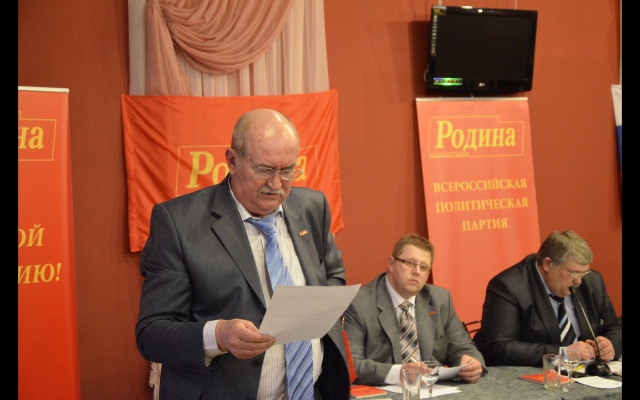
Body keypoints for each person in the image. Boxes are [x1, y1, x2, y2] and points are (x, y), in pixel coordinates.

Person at [135, 109, 351, 400]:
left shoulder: (313, 207)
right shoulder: (179, 223)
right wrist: (218, 335)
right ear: (232, 161)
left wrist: (315, 312)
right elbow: (151, 333)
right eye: (264, 169)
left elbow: (333, 274)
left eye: (288, 170)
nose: (276, 184)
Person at [343, 234, 486, 386]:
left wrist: (470, 362)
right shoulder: (359, 304)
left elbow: (463, 347)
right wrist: (399, 373)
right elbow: (351, 365)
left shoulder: (440, 300)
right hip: (384, 392)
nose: (417, 271)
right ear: (391, 264)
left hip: (433, 390)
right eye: (410, 263)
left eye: (423, 267)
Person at [473, 230, 622, 367]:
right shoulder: (509, 287)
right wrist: (563, 354)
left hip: (586, 373)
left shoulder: (592, 282)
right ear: (548, 264)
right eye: (573, 273)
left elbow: (615, 327)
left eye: (583, 273)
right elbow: (500, 348)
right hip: (529, 377)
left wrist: (611, 345)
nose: (579, 281)